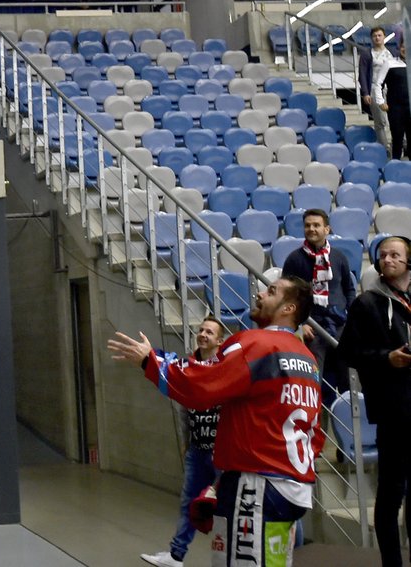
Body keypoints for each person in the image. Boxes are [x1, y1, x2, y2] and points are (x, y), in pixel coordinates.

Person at [108, 276, 323, 567]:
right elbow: (316, 434)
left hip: (257, 484)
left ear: (288, 308)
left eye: (271, 292)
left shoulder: (256, 343)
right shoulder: (307, 359)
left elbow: (200, 387)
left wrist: (150, 361)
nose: (259, 294)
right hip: (294, 487)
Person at [339, 235, 411, 567]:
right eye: (382, 256)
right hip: (393, 410)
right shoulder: (367, 303)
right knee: (390, 494)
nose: (387, 260)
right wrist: (387, 358)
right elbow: (348, 353)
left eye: (395, 255)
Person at [140, 317, 223, 567]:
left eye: (209, 332)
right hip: (197, 450)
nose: (203, 334)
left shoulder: (225, 367)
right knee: (189, 503)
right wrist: (187, 441)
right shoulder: (188, 365)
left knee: (226, 507)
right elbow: (183, 408)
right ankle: (176, 556)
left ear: (219, 340)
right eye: (200, 330)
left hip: (222, 453)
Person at [280, 208, 356, 404]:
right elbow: (287, 295)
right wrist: (300, 324)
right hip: (312, 328)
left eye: (316, 225)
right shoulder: (294, 259)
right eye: (307, 225)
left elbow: (349, 288)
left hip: (341, 326)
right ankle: (316, 428)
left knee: (350, 382)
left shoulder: (339, 257)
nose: (311, 229)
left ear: (327, 229)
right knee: (314, 383)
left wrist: (351, 318)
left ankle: (352, 428)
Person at [359, 25, 396, 151]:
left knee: (394, 119)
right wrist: (365, 93)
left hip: (391, 89)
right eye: (374, 36)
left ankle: (397, 145)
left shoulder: (392, 53)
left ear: (384, 37)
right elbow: (362, 74)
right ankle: (384, 149)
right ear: (371, 38)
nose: (377, 38)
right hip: (375, 89)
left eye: (379, 35)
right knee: (380, 122)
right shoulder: (367, 54)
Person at [375, 38, 411, 160]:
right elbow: (378, 84)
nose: (405, 49)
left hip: (409, 107)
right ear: (399, 47)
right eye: (403, 46)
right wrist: (380, 102)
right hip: (396, 108)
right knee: (397, 138)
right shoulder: (389, 63)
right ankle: (395, 166)